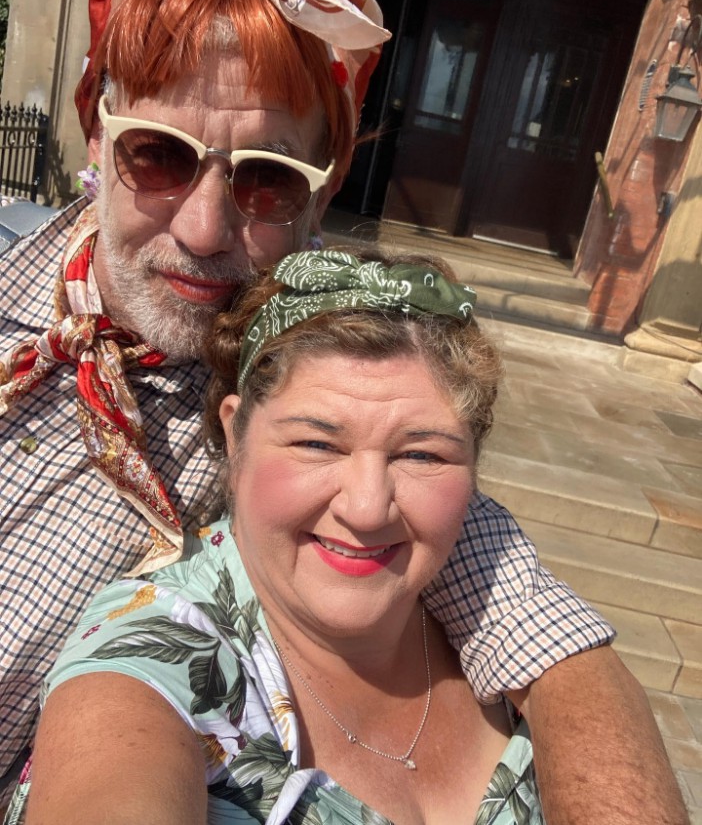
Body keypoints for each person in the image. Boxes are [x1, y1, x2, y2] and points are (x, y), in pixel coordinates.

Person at [0, 0, 686, 822]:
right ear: (95, 133)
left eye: (267, 179)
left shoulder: (318, 368)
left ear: (321, 193)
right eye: (159, 156)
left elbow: (546, 641)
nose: (207, 229)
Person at [17, 249, 546, 823]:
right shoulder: (151, 657)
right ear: (234, 433)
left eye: (422, 453)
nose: (367, 509)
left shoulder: (498, 611)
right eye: (316, 444)